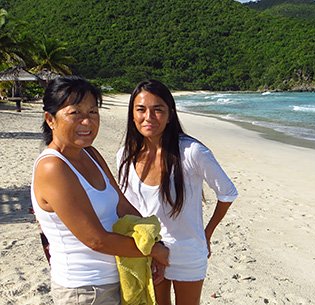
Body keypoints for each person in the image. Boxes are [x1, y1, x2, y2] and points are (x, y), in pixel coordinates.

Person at [31, 76, 169, 305]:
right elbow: (95, 239)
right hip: (84, 290)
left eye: (93, 112)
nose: (87, 122)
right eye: (75, 113)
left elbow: (123, 206)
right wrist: (152, 251)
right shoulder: (52, 167)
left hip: (116, 278)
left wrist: (154, 239)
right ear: (50, 119)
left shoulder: (90, 154)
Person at [117, 79, 238, 305]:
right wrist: (149, 249)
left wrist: (207, 234)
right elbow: (129, 208)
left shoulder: (191, 152)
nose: (149, 117)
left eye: (158, 110)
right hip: (150, 250)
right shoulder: (125, 155)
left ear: (170, 114)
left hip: (188, 251)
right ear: (132, 114)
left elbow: (228, 192)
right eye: (141, 110)